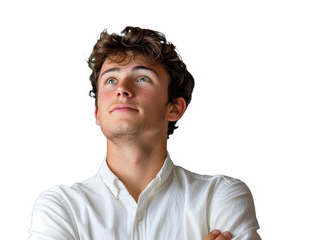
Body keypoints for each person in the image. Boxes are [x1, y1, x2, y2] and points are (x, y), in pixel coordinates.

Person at [28, 26, 261, 240]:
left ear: (174, 108)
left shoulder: (221, 197)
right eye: (111, 79)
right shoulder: (60, 207)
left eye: (142, 78)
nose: (122, 89)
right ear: (98, 113)